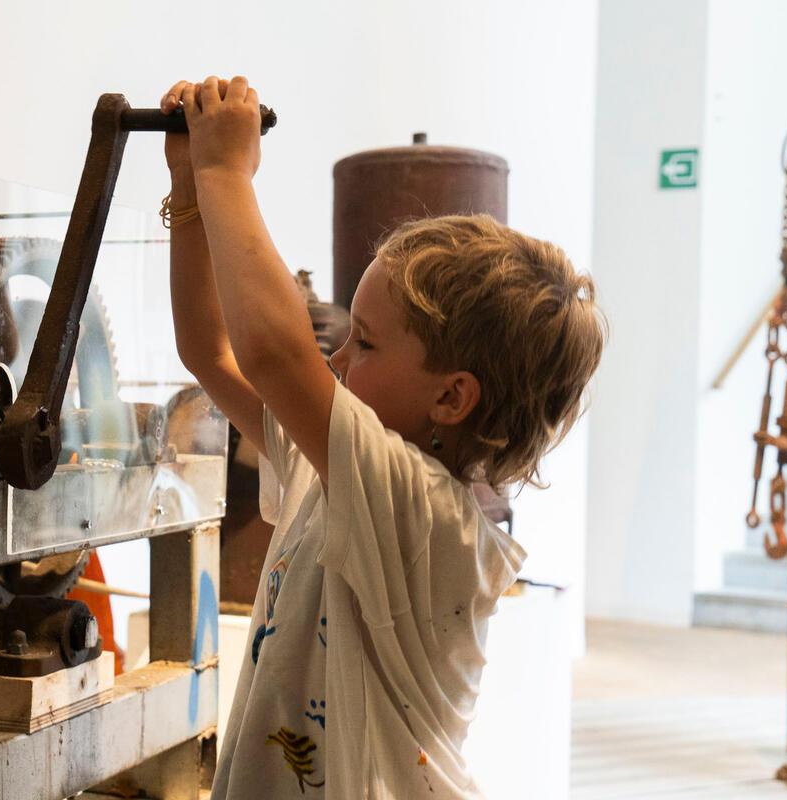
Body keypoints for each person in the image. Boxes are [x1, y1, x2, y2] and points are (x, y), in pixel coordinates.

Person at [160, 76, 604, 798]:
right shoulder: (336, 472)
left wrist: (224, 172)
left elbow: (275, 354)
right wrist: (189, 189)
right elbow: (212, 354)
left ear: (451, 397)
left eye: (363, 342)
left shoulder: (423, 512)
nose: (336, 361)